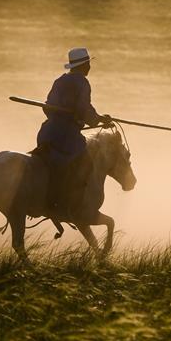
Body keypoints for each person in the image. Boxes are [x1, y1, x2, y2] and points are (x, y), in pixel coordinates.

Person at [36, 47, 113, 215]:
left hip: (47, 132)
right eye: (88, 64)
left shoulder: (59, 81)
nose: (89, 67)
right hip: (66, 136)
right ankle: (69, 203)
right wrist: (98, 119)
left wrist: (96, 117)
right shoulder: (82, 83)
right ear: (84, 65)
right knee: (86, 162)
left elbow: (48, 107)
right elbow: (84, 109)